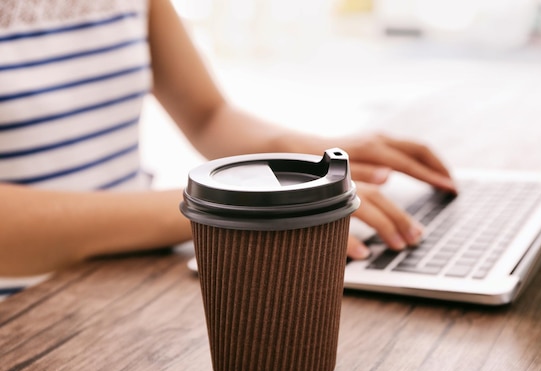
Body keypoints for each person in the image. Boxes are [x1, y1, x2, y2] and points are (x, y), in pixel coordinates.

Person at [0, 0, 456, 277]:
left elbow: (208, 115)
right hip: (24, 314)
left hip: (126, 269)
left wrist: (307, 159)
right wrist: (227, 207)